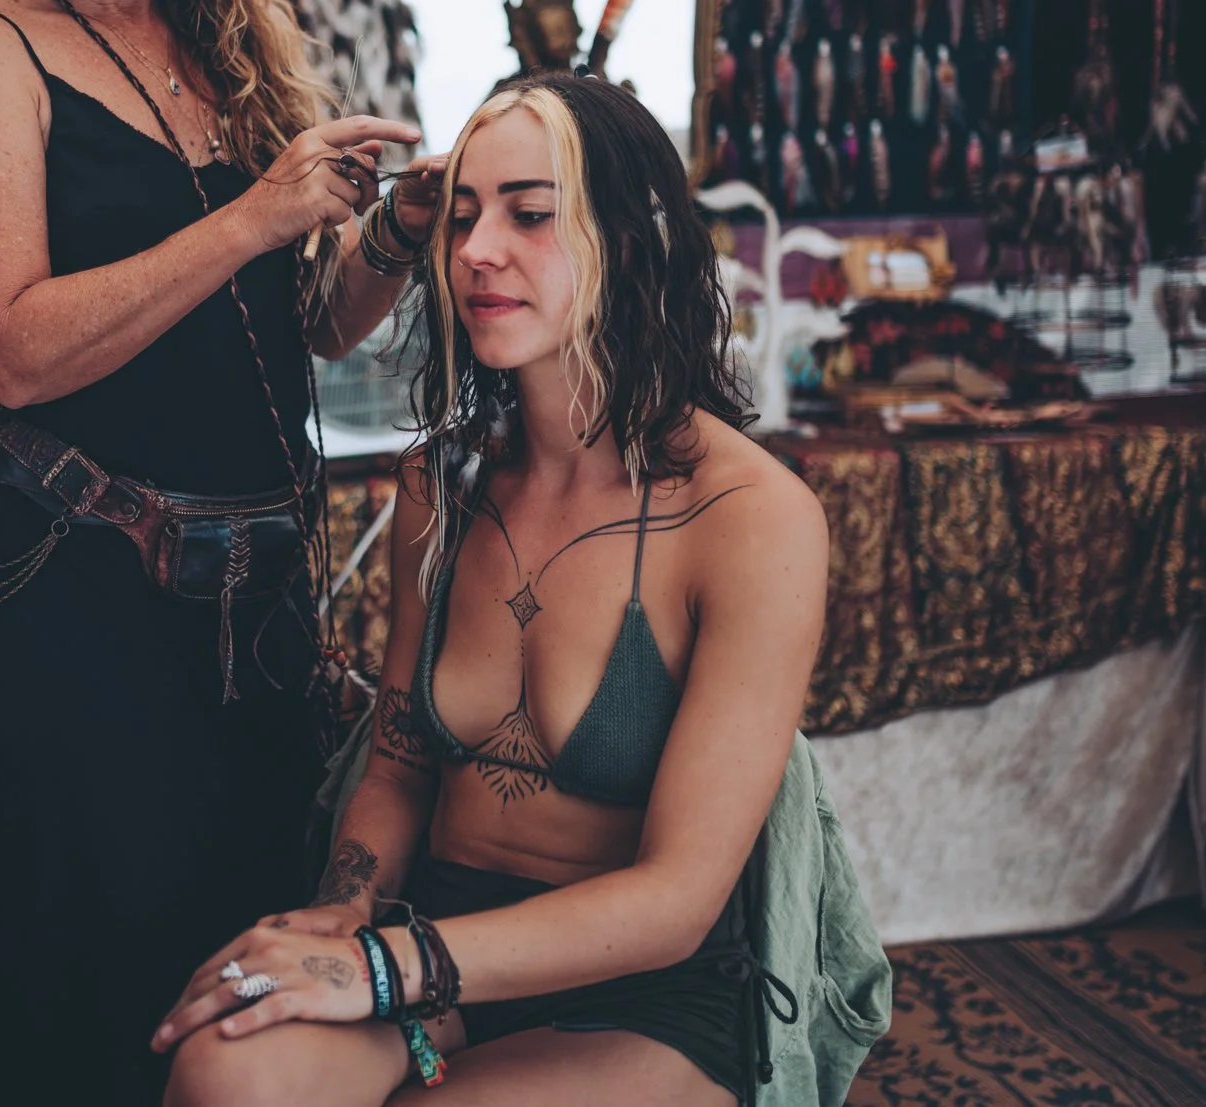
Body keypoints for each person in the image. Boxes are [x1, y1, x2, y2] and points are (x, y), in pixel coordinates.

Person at [0, 0, 439, 1105]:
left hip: (249, 602)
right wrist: (254, 214)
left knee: (228, 950)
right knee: (73, 963)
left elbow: (300, 332)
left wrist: (389, 236)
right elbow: (11, 346)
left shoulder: (228, 36)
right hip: (76, 588)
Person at [152, 74, 830, 1106]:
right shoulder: (444, 480)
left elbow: (677, 899)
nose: (474, 251)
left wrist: (380, 969)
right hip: (439, 935)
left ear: (631, 235)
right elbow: (397, 755)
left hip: (643, 990)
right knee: (226, 1067)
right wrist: (345, 914)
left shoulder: (749, 517)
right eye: (462, 214)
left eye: (529, 214)